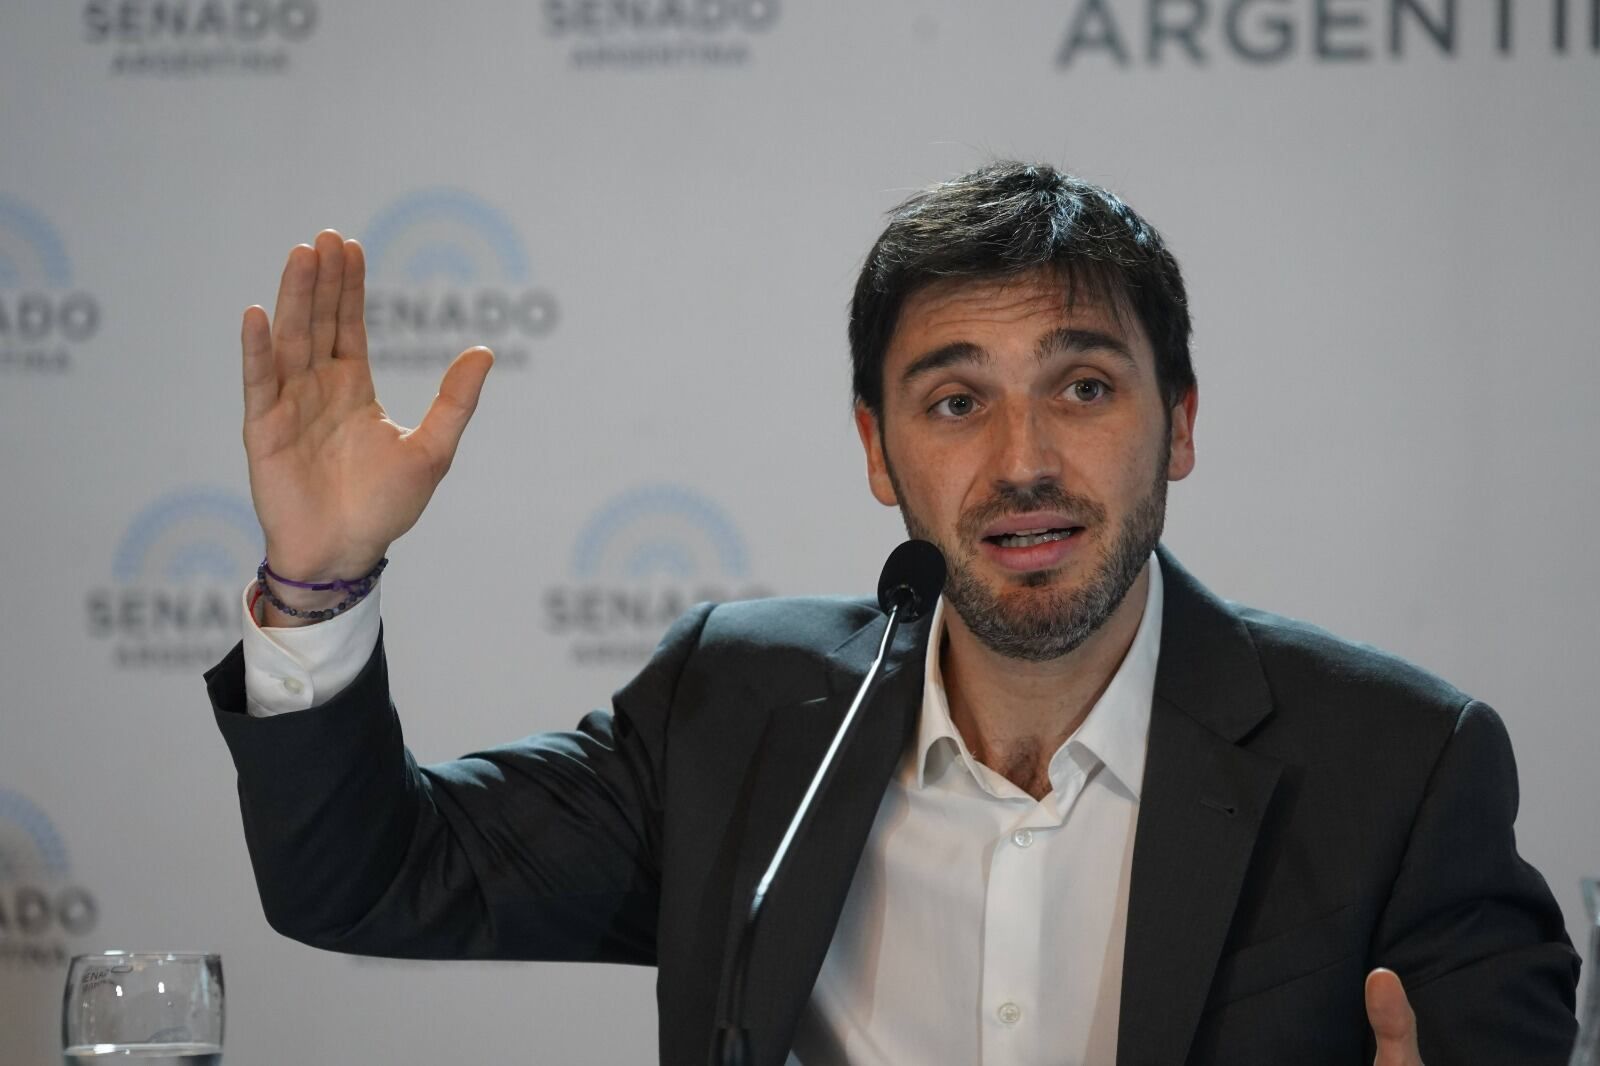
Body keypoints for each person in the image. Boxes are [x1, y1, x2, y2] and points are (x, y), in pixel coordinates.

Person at [205, 162, 1580, 1065]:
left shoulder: (1398, 765)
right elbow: (371, 876)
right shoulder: (735, 710)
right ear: (878, 451)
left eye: (1086, 388)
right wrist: (319, 580)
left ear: (1182, 427)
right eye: (955, 400)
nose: (1024, 458)